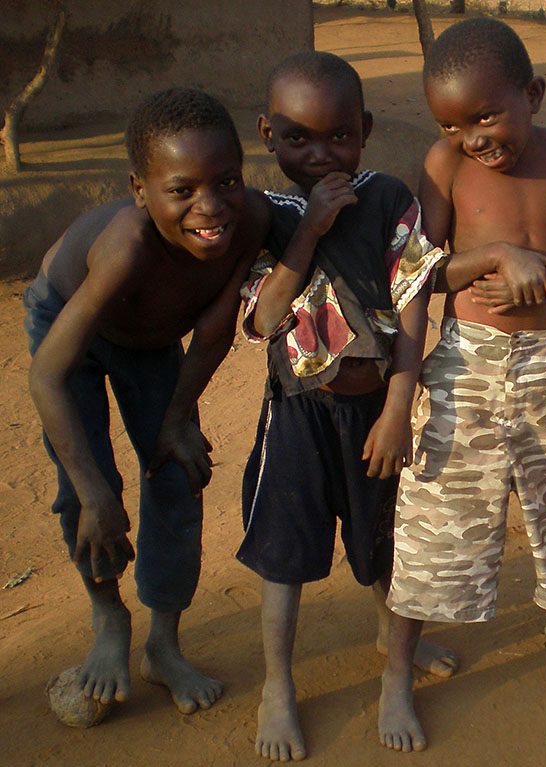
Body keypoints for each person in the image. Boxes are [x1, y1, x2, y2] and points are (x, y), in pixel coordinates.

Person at [378, 17, 546, 753]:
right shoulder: (444, 168)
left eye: (485, 115)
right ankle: (398, 670)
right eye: (452, 123)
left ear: (532, 95)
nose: (472, 136)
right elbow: (422, 270)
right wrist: (496, 255)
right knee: (434, 513)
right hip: (465, 362)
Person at [24, 88, 270, 715]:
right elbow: (48, 376)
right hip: (69, 330)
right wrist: (97, 493)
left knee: (179, 474)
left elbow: (215, 330)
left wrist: (179, 416)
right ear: (140, 189)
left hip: (150, 338)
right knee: (85, 493)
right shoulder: (126, 246)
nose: (210, 206)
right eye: (182, 190)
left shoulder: (254, 221)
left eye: (228, 181)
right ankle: (109, 618)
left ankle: (163, 645)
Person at [237, 52, 450, 762]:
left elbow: (415, 301)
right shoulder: (268, 216)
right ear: (268, 133)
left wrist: (398, 405)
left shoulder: (389, 198)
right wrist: (310, 230)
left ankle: (395, 672)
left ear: (362, 130)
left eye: (338, 137)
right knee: (285, 558)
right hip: (297, 413)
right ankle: (277, 686)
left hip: (376, 416)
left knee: (391, 548)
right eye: (298, 138)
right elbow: (266, 319)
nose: (320, 153)